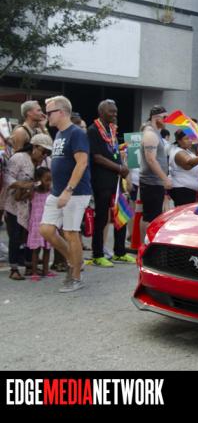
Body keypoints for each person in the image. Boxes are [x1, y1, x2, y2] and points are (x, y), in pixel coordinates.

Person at [39, 96, 93, 293]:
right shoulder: (60, 134)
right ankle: (74, 260)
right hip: (58, 192)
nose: (47, 116)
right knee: (46, 230)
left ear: (61, 112)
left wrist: (68, 190)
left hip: (75, 192)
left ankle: (75, 276)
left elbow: (82, 162)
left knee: (70, 232)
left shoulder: (76, 133)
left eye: (49, 112)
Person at [86, 99, 136, 267]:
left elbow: (114, 153)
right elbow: (96, 157)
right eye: (111, 111)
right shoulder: (93, 130)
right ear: (101, 112)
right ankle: (98, 254)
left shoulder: (112, 130)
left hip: (117, 180)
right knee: (101, 218)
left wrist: (123, 170)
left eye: (115, 111)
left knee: (122, 216)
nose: (115, 114)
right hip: (101, 181)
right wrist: (119, 168)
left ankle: (120, 253)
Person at [4, 134, 52, 280]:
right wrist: (22, 185)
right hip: (14, 204)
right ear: (34, 147)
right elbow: (7, 178)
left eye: (48, 153)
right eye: (43, 151)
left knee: (28, 237)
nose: (45, 155)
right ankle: (14, 268)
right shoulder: (19, 158)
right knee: (15, 237)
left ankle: (29, 265)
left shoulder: (46, 162)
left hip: (34, 206)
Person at [139, 105, 171, 243]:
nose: (166, 120)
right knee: (150, 218)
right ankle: (145, 246)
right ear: (156, 118)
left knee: (151, 216)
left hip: (154, 182)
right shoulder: (150, 134)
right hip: (151, 182)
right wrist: (165, 179)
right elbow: (151, 160)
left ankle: (146, 245)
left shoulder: (154, 132)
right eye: (165, 117)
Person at [27, 167, 55, 280]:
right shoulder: (33, 192)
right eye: (46, 180)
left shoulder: (51, 192)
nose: (49, 182)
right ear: (38, 180)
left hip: (48, 223)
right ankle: (34, 272)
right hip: (36, 225)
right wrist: (33, 186)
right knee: (36, 250)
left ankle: (45, 271)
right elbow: (22, 197)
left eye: (50, 180)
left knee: (47, 249)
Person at [169, 129, 198, 206]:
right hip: (182, 190)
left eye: (191, 138)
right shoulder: (178, 152)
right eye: (186, 139)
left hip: (189, 190)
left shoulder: (187, 150)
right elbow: (188, 163)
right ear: (179, 141)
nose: (190, 140)